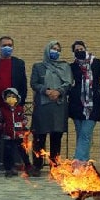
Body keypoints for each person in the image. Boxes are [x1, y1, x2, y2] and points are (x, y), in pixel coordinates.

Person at [0, 36, 28, 175]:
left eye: (10, 45)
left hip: (12, 107)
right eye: (4, 45)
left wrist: (19, 104)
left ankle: (11, 166)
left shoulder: (19, 64)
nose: (7, 47)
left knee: (13, 137)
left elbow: (23, 85)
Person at [29, 40, 72, 176]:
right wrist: (47, 91)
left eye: (58, 50)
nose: (55, 51)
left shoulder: (65, 66)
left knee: (56, 136)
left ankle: (55, 166)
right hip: (43, 105)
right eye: (53, 49)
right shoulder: (38, 66)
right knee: (39, 136)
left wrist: (58, 91)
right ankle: (37, 165)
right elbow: (34, 83)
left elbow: (69, 83)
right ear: (47, 50)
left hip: (58, 106)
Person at [68, 40, 100, 164]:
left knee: (85, 134)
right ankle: (84, 162)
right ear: (74, 52)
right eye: (76, 50)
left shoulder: (96, 63)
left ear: (85, 49)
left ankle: (77, 163)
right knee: (81, 135)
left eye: (81, 49)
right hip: (77, 105)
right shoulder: (72, 67)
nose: (79, 51)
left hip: (92, 105)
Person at [0, 87, 29, 177]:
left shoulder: (20, 109)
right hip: (7, 135)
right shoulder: (2, 110)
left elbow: (25, 119)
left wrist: (22, 124)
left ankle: (28, 167)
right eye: (8, 96)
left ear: (17, 98)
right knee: (8, 153)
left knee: (23, 151)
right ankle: (9, 169)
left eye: (13, 96)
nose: (11, 98)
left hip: (19, 135)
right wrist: (4, 126)